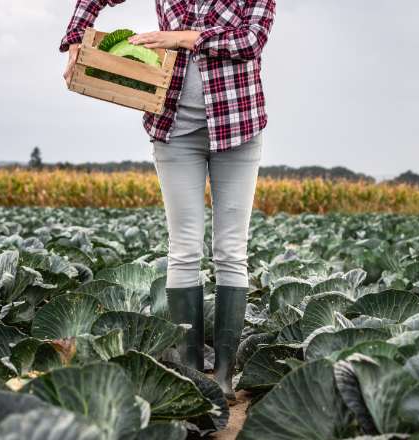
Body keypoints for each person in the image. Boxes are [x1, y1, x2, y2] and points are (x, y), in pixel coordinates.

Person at [61, 0, 276, 400]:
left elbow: (250, 40)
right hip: (174, 126)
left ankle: (226, 374)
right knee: (184, 248)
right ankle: (192, 374)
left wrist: (178, 39)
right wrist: (76, 38)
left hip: (238, 126)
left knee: (231, 250)